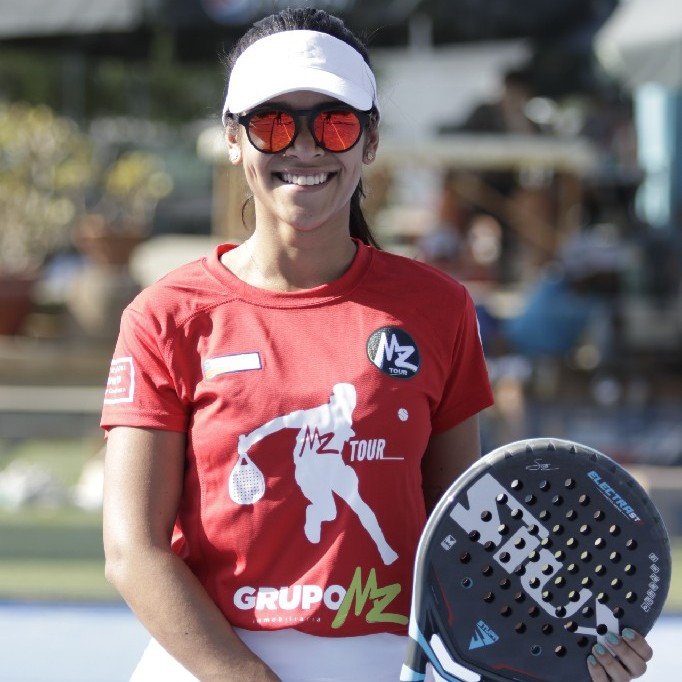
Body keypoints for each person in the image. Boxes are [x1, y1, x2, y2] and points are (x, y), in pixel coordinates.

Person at [100, 8, 652, 682]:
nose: (305, 147)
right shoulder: (165, 315)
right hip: (207, 666)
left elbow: (459, 532)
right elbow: (133, 552)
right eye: (273, 123)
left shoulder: (438, 307)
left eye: (334, 123)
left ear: (369, 141)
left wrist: (566, 646)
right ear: (234, 139)